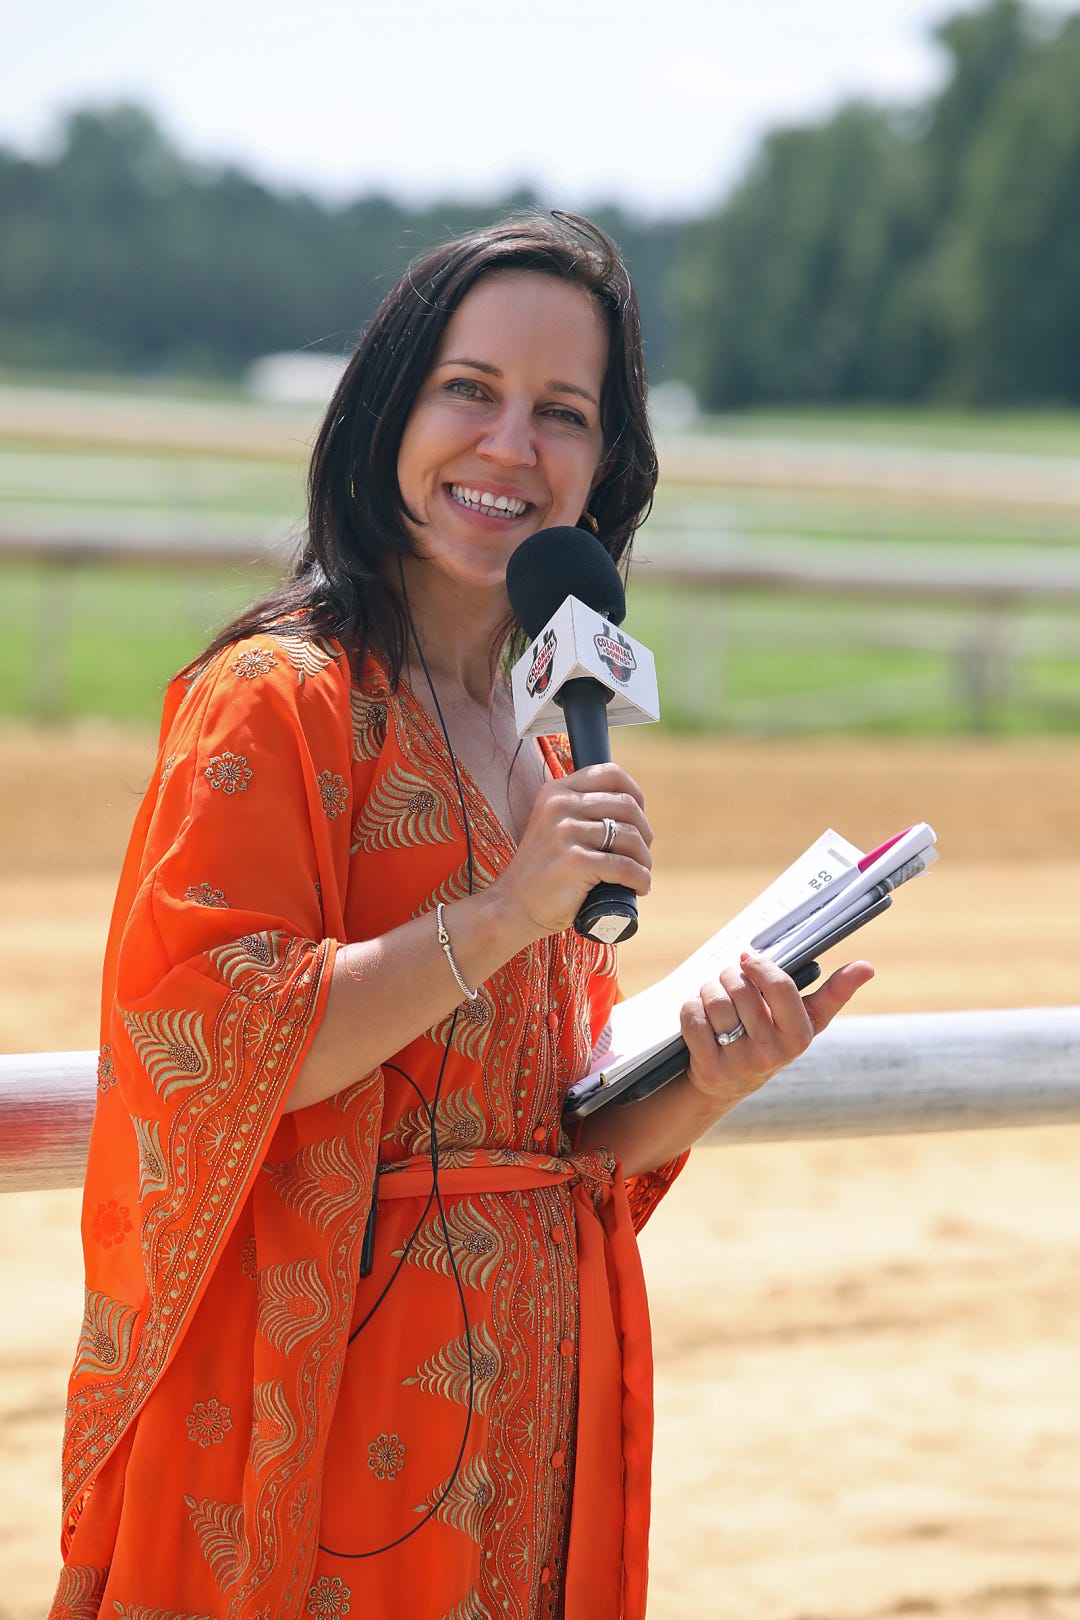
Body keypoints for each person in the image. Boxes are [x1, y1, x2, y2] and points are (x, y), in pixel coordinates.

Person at [52, 213, 872, 1620]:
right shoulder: (278, 702)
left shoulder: (549, 739)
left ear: (606, 466)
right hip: (323, 1416)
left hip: (529, 1421)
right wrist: (502, 914)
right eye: (470, 390)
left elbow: (552, 1139)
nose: (510, 446)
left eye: (563, 413)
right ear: (388, 413)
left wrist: (710, 1077)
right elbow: (214, 1041)